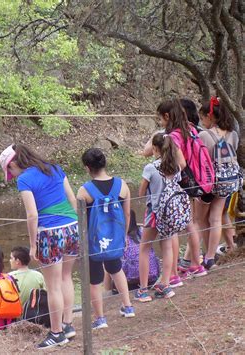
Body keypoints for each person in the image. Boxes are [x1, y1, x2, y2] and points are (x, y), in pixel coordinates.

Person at [0, 144, 78, 349]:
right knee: (66, 277)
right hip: (71, 227)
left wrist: (33, 245)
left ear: (14, 163)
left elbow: (32, 214)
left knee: (52, 287)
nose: (12, 176)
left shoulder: (25, 179)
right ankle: (67, 324)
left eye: (10, 171)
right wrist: (77, 224)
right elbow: (72, 199)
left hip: (49, 233)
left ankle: (56, 333)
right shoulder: (55, 167)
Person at [77, 148, 135, 329]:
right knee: (116, 269)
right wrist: (123, 236)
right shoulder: (122, 185)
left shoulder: (84, 191)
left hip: (94, 242)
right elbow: (127, 215)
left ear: (87, 168)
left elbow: (81, 222)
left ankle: (100, 319)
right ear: (104, 163)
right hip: (115, 237)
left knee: (94, 280)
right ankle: (128, 307)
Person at [158, 99, 208, 278]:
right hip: (195, 181)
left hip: (180, 185)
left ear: (166, 116)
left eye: (160, 119)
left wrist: (169, 173)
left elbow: (181, 162)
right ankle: (197, 265)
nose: (160, 123)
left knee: (173, 229)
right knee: (191, 224)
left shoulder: (173, 136)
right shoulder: (191, 129)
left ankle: (172, 275)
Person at [135, 133, 184, 302]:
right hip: (171, 213)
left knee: (144, 248)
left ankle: (142, 290)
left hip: (154, 213)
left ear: (155, 149)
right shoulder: (176, 167)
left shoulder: (150, 168)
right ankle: (165, 284)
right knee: (167, 247)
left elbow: (141, 193)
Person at [194, 98, 239, 270]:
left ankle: (206, 255)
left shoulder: (204, 135)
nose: (202, 122)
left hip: (209, 183)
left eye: (203, 118)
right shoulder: (233, 134)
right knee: (216, 218)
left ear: (210, 116)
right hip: (227, 182)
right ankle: (210, 257)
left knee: (200, 219)